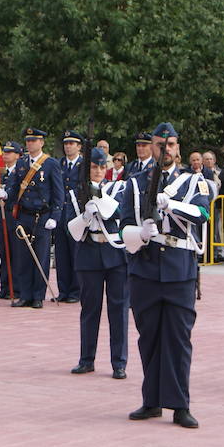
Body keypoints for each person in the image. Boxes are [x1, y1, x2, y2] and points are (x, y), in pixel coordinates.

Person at [120, 122, 210, 428]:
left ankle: (180, 404)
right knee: (149, 337)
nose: (166, 150)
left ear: (178, 148)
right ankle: (152, 400)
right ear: (152, 146)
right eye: (161, 144)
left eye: (171, 144)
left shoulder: (192, 181)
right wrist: (140, 233)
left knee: (178, 338)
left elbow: (203, 213)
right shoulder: (133, 183)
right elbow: (122, 225)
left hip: (179, 267)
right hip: (145, 267)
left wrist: (171, 204)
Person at [67, 148, 129, 380]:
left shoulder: (118, 188)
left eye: (103, 167)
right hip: (90, 253)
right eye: (94, 167)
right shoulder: (75, 193)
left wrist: (99, 202)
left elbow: (119, 212)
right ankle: (86, 359)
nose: (99, 171)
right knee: (90, 310)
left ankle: (119, 363)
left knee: (118, 310)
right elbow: (71, 229)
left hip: (114, 253)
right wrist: (84, 216)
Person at [0, 127, 63, 309]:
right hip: (24, 216)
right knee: (23, 257)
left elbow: (58, 193)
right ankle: (25, 295)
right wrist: (6, 194)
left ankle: (38, 296)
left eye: (34, 140)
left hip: (42, 217)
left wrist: (55, 216)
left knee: (40, 258)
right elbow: (16, 187)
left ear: (41, 142)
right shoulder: (22, 163)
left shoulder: (50, 164)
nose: (30, 143)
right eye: (28, 141)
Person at [55, 129, 84, 303]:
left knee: (76, 253)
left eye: (72, 143)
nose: (68, 146)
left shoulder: (84, 165)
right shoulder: (59, 164)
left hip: (77, 215)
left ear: (79, 146)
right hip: (61, 214)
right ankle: (63, 290)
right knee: (61, 254)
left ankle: (75, 290)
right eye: (66, 143)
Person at [0, 141, 22, 300]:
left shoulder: (20, 173)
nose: (6, 155)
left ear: (18, 155)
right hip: (1, 217)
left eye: (10, 152)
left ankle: (15, 288)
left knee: (15, 254)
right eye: (5, 152)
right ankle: (5, 286)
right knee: (4, 254)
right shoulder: (2, 174)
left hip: (14, 217)